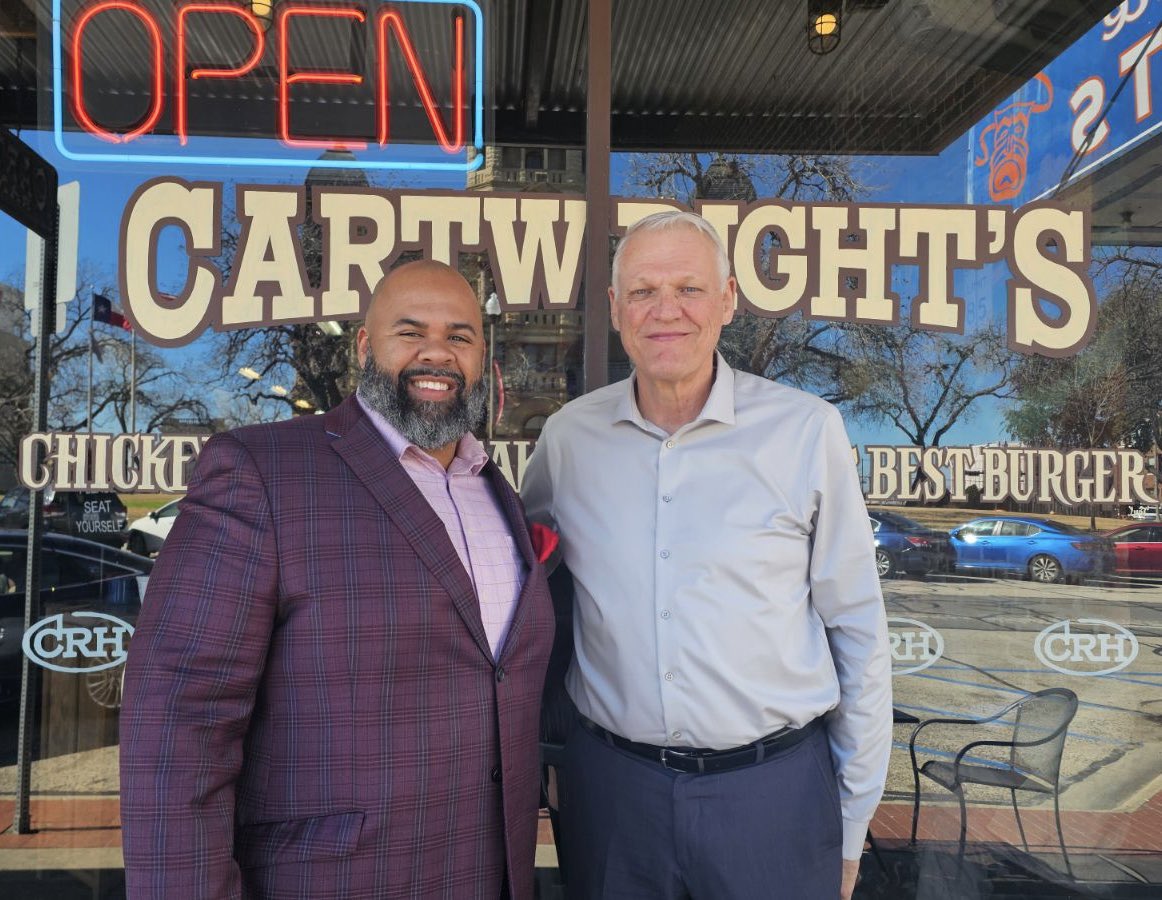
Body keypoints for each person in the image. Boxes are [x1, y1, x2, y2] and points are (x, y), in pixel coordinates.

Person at [121, 259, 555, 900]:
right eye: (410, 332)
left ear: (481, 358)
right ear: (363, 346)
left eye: (460, 336)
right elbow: (180, 721)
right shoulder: (261, 471)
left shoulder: (497, 493)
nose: (437, 352)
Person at [521, 211, 892, 900]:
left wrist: (851, 823)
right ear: (614, 308)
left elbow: (859, 634)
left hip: (772, 798)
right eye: (642, 291)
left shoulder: (806, 432)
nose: (666, 311)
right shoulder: (569, 440)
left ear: (727, 300)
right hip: (612, 794)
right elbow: (520, 580)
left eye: (689, 288)